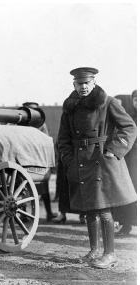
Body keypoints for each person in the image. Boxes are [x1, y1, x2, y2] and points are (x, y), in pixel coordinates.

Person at [57, 67, 136, 269]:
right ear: (74, 85)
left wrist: (113, 150)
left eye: (86, 83)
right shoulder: (70, 108)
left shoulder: (108, 102)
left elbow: (129, 128)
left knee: (104, 210)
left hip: (103, 161)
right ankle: (94, 251)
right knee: (89, 209)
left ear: (93, 82)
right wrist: (68, 160)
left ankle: (109, 254)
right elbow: (63, 139)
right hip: (80, 163)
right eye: (79, 83)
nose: (83, 87)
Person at [22, 102, 57, 222]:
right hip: (35, 160)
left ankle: (46, 213)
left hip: (34, 160)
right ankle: (27, 214)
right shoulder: (35, 124)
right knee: (27, 188)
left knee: (30, 188)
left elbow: (46, 141)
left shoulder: (37, 124)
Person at [112, 89, 137, 237]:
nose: (137, 103)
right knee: (130, 190)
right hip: (132, 159)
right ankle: (126, 224)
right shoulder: (128, 118)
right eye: (135, 100)